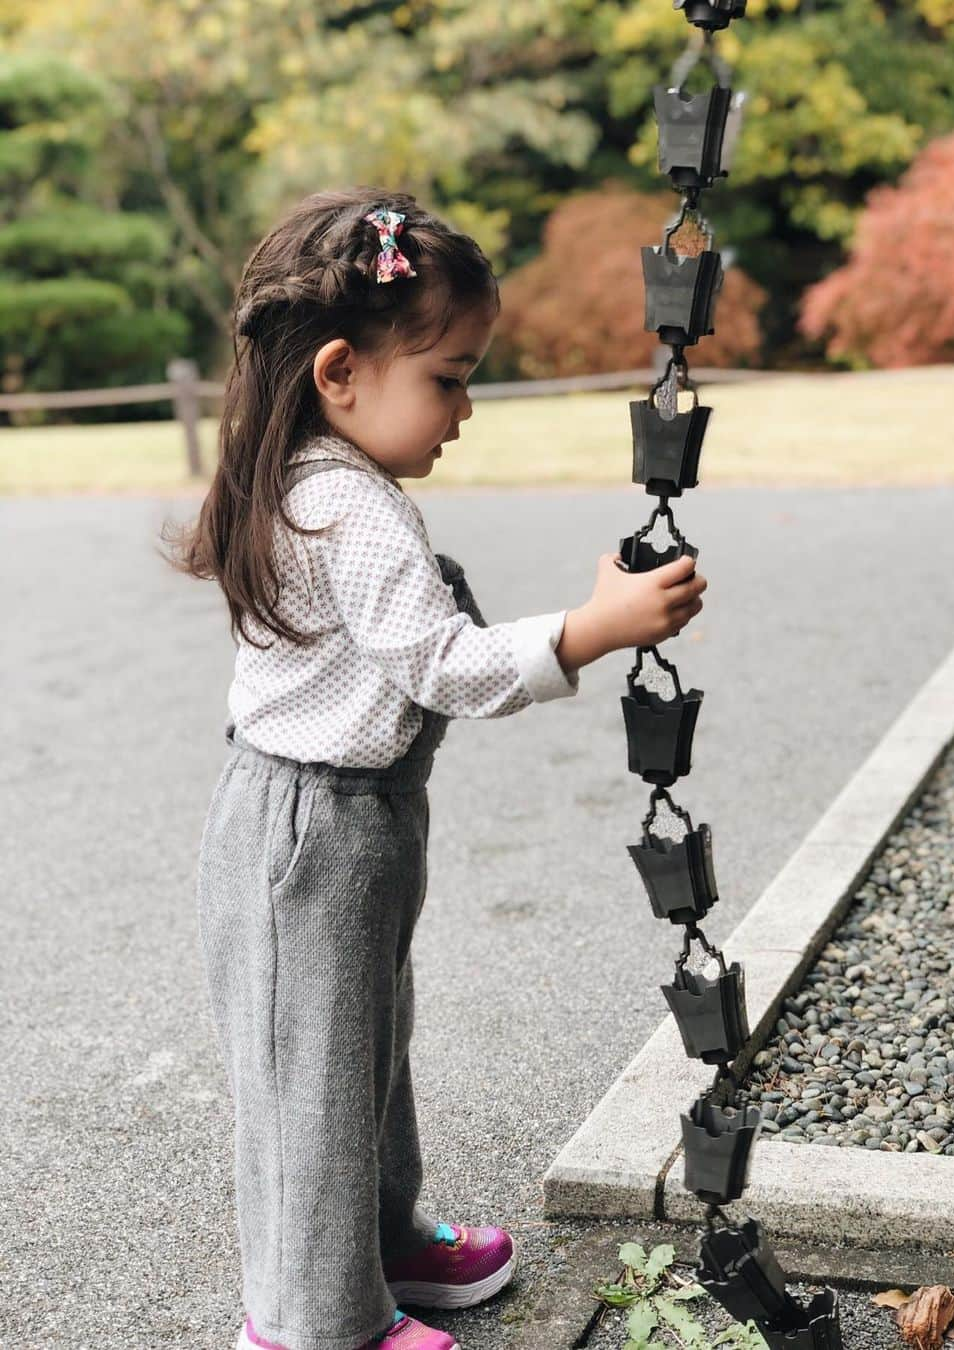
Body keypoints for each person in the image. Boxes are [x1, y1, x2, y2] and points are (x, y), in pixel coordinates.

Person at [165, 188, 707, 1350]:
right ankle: (316, 1321)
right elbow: (446, 668)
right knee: (310, 1082)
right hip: (308, 831)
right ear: (339, 373)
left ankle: (386, 1239)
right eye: (448, 378)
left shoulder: (322, 481)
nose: (465, 410)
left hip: (348, 822)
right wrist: (594, 626)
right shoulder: (347, 510)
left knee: (365, 1048)